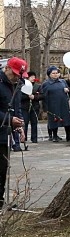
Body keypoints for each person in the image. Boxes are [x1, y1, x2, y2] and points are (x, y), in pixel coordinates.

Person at [0, 57, 26, 207]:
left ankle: (1, 199)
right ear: (7, 68)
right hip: (2, 125)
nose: (16, 77)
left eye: (19, 75)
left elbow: (17, 108)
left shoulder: (17, 85)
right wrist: (9, 119)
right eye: (14, 73)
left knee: (3, 168)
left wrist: (19, 125)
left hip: (7, 133)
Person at [41, 66, 70, 143]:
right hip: (53, 105)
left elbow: (69, 91)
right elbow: (44, 96)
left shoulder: (63, 82)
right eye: (53, 73)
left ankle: (69, 135)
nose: (55, 75)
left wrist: (68, 90)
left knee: (67, 120)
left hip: (63, 104)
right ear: (49, 74)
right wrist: (45, 108)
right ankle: (54, 135)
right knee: (54, 121)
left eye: (57, 73)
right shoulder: (46, 84)